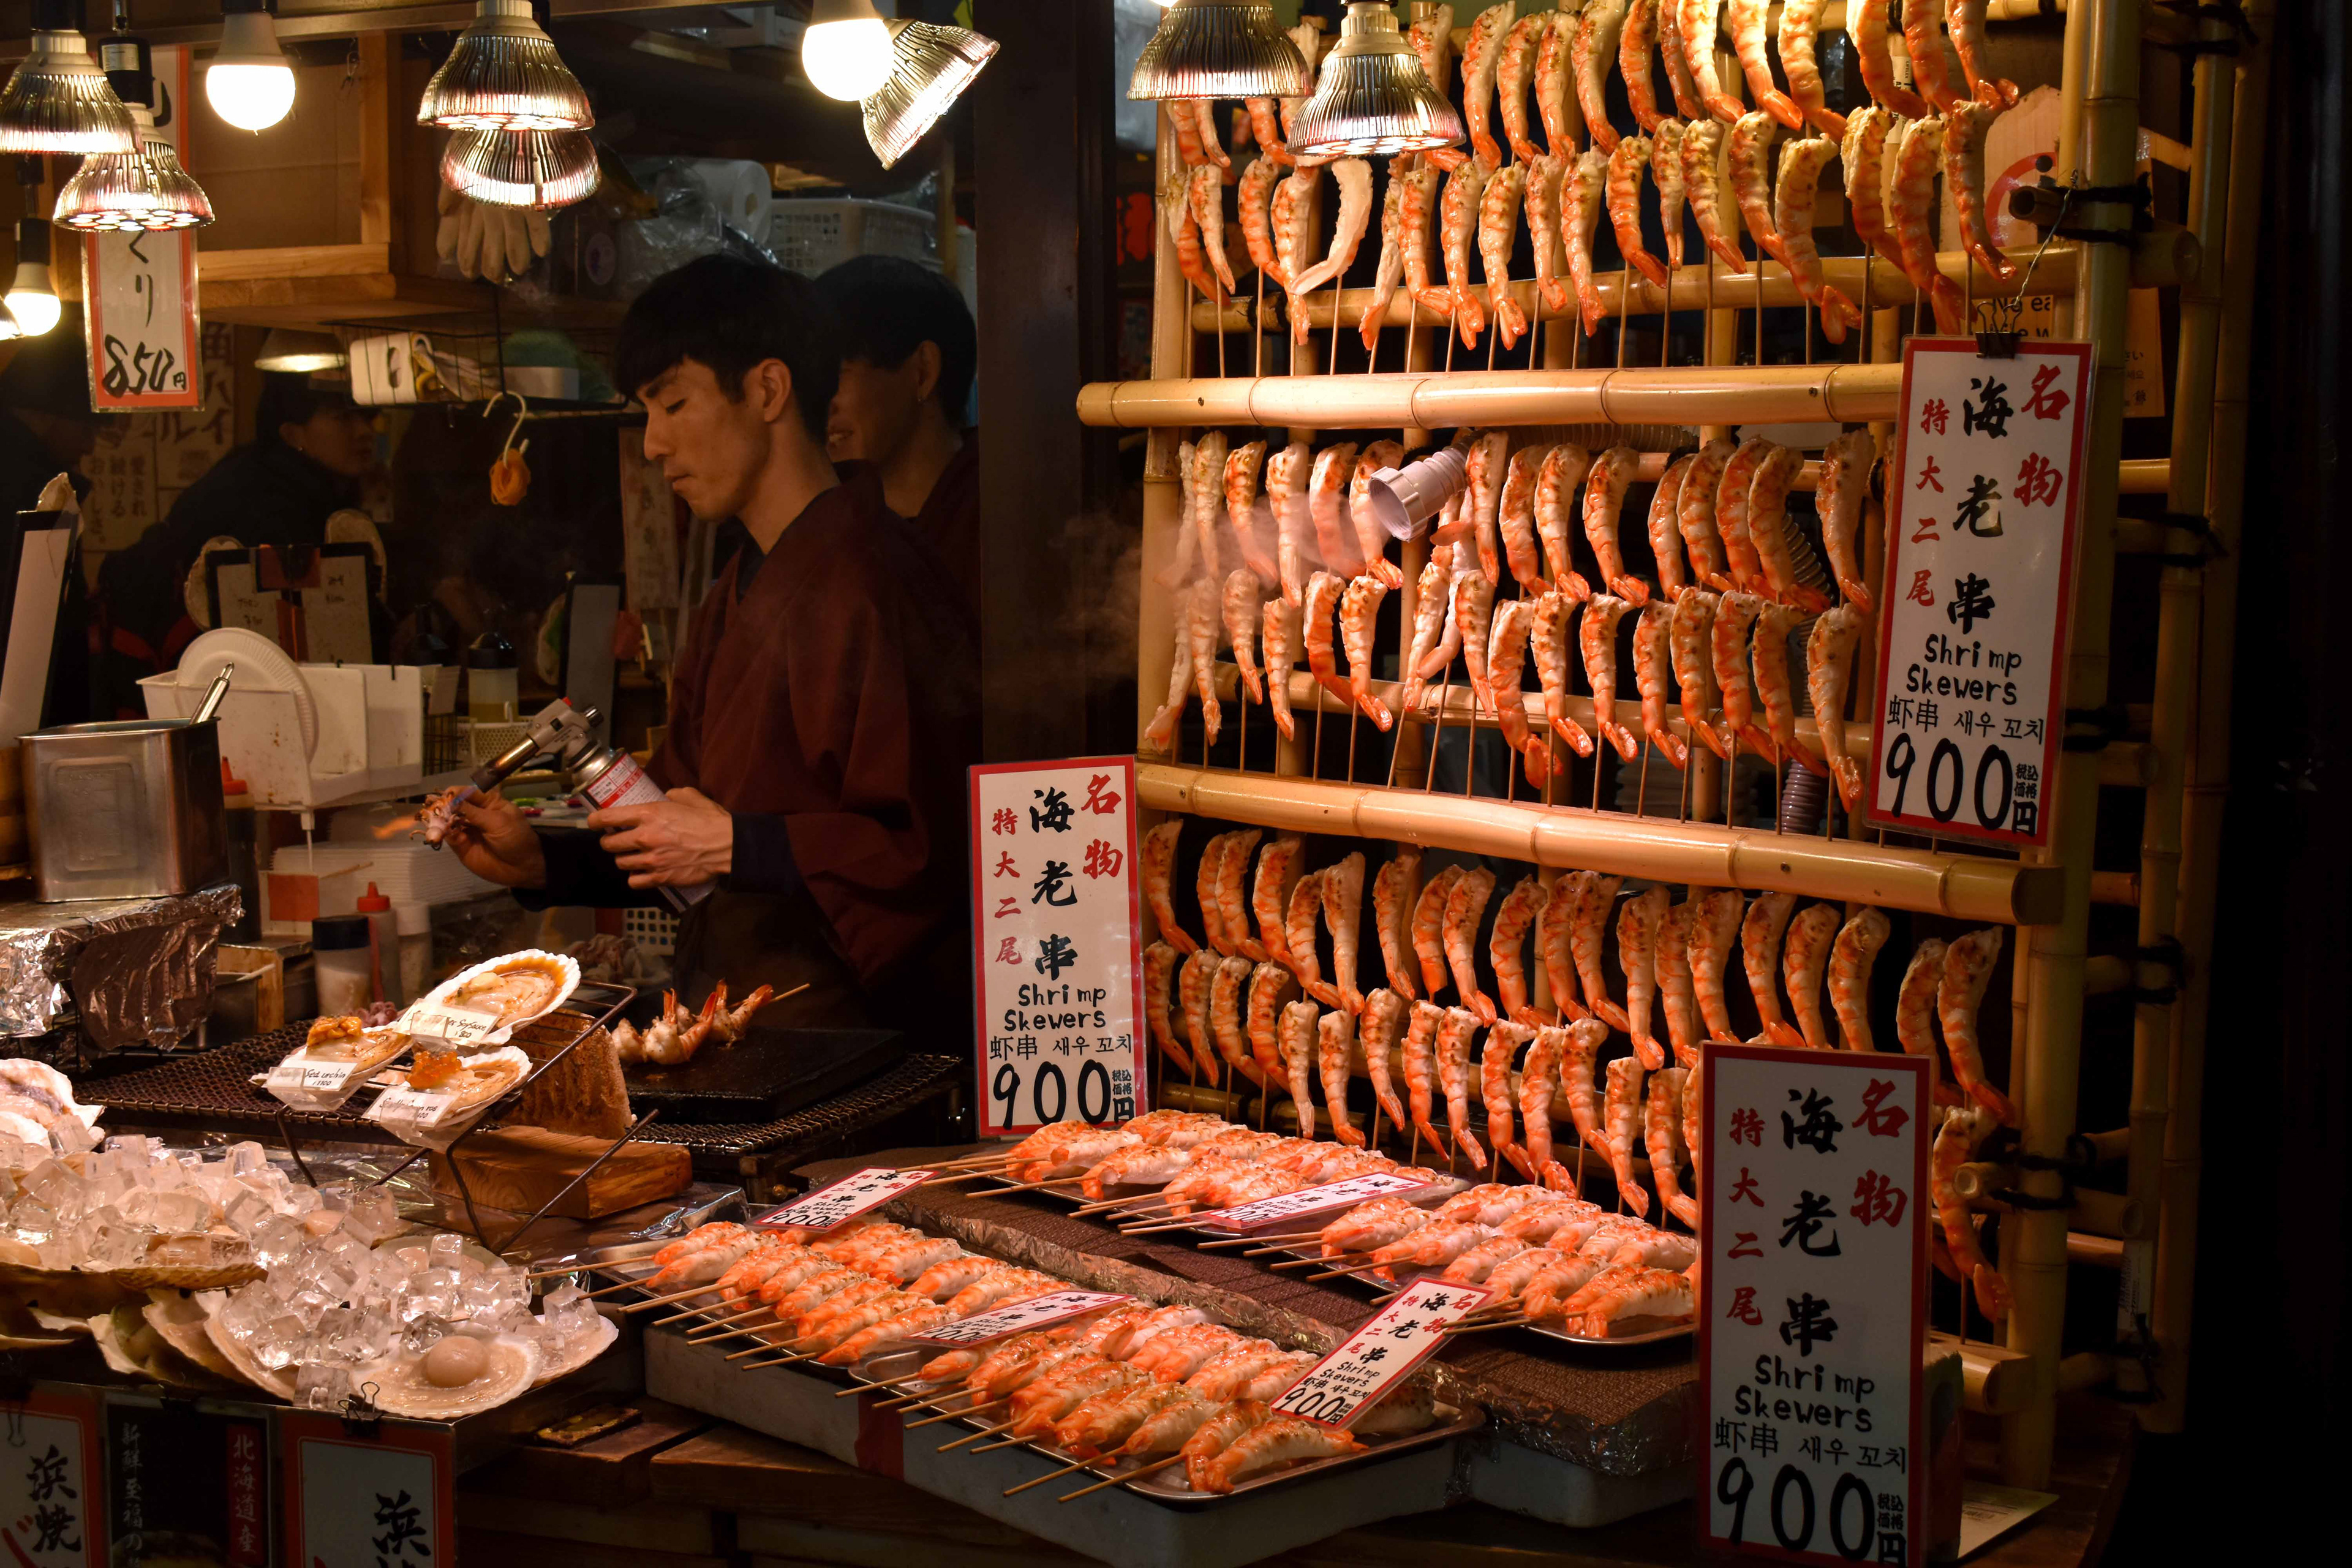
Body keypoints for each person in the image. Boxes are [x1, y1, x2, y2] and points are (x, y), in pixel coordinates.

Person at [442, 255, 980, 1039]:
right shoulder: (740, 584)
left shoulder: (877, 581)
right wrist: (545, 862)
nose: (653, 444)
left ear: (768, 390)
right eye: (647, 411)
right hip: (739, 1020)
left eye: (674, 404)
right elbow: (677, 826)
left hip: (850, 1041)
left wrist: (739, 843)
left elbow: (929, 846)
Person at [94, 371, 379, 714]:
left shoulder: (284, 478)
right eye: (343, 418)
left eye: (366, 417)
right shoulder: (266, 501)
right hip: (208, 682)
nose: (364, 431)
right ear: (293, 434)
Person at [814, 254, 978, 611]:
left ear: (922, 371)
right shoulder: (833, 524)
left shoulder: (995, 521)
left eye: (837, 374)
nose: (817, 403)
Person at [0, 310, 100, 722]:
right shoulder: (30, 490)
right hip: (27, 714)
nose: (90, 445)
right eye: (86, 427)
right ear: (44, 415)